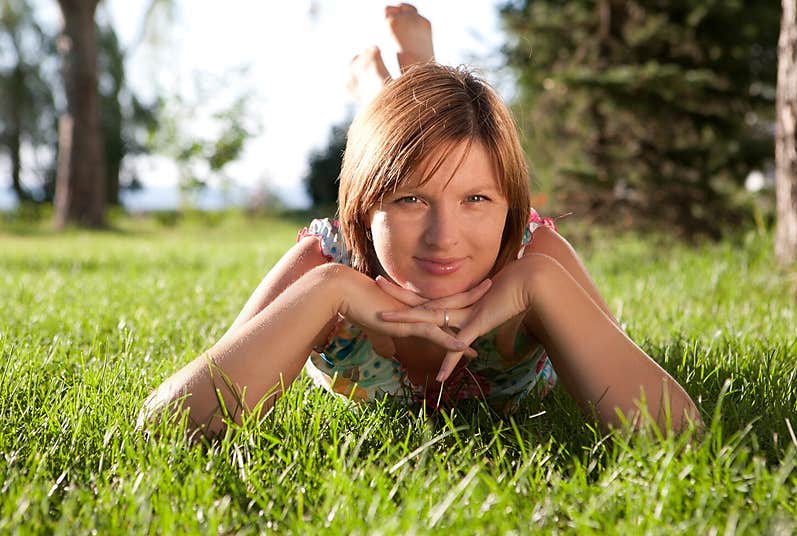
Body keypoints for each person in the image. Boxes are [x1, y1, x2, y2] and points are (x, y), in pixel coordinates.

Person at [138, 4, 702, 441]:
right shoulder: (325, 259)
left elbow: (677, 434)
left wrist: (538, 286)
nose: (444, 237)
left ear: (510, 204)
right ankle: (386, 96)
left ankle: (407, 83)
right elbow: (167, 425)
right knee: (410, 146)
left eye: (478, 200)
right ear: (361, 208)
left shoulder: (536, 255)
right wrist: (331, 291)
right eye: (409, 201)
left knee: (431, 147)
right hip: (354, 238)